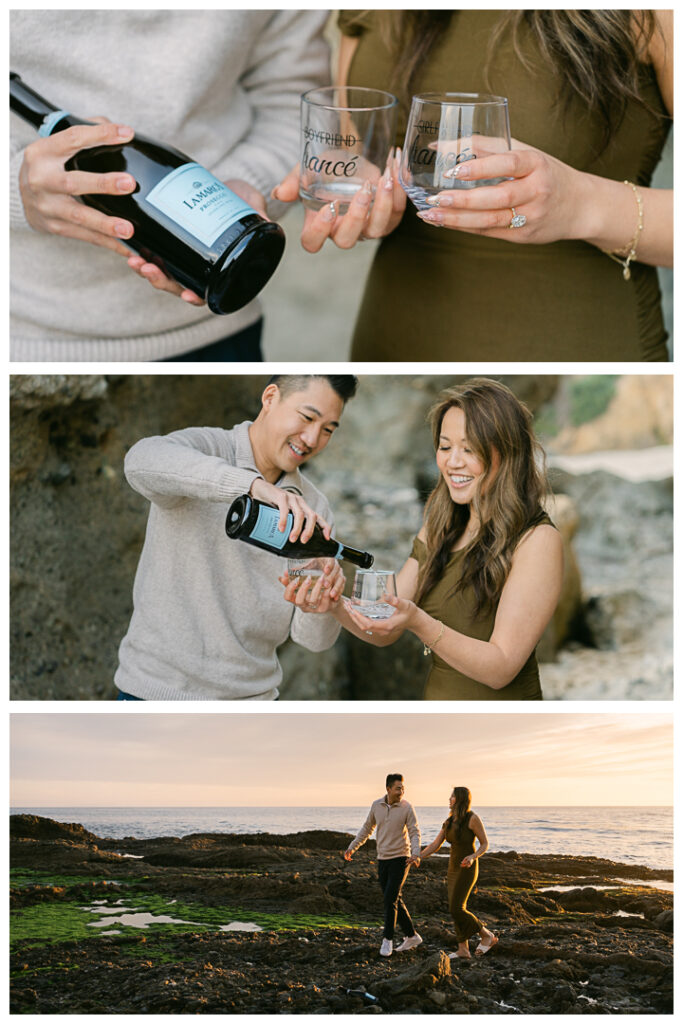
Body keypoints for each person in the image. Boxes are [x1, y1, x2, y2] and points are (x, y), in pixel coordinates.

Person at [274, 10, 673, 361]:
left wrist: (580, 204)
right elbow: (363, 149)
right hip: (391, 339)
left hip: (574, 342)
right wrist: (358, 187)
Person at [10, 9, 330, 361]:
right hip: (30, 345)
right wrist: (15, 188)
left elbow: (297, 103)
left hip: (218, 336)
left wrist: (245, 182)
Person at [285, 378, 563, 699]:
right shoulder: (440, 526)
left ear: (507, 451)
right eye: (445, 447)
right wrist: (334, 604)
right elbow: (385, 623)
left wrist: (419, 621)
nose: (452, 461)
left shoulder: (537, 540)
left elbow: (501, 668)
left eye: (469, 448)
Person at [115, 374, 358, 700]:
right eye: (307, 417)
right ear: (270, 398)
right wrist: (251, 486)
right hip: (153, 693)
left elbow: (313, 641)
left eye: (328, 429)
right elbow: (140, 461)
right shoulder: (206, 448)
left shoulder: (313, 508)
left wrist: (323, 605)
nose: (313, 438)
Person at [410, 787, 497, 959]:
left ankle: (487, 935)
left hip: (467, 867)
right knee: (455, 909)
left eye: (452, 796)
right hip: (452, 868)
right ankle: (463, 949)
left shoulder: (472, 819)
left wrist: (473, 857)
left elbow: (485, 843)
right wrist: (417, 856)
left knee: (457, 908)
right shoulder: (449, 821)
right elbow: (436, 844)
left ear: (460, 799)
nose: (449, 799)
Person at [344, 773, 422, 957]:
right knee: (394, 898)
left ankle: (387, 939)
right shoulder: (376, 806)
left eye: (403, 788)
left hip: (402, 858)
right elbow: (367, 828)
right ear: (388, 789)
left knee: (389, 898)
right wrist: (352, 847)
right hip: (383, 859)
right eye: (398, 788)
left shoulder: (407, 807)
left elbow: (414, 831)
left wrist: (416, 853)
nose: (401, 791)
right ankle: (412, 936)